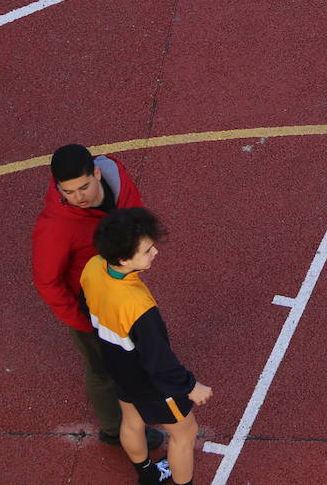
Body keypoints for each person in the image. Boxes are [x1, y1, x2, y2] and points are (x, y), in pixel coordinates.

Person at [31, 144, 165, 453]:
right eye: (68, 192)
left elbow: (136, 215)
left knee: (132, 357)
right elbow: (47, 282)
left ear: (96, 172)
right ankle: (113, 431)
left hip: (121, 293)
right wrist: (83, 322)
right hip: (89, 309)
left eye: (84, 187)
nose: (78, 197)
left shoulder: (117, 178)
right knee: (102, 371)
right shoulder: (56, 227)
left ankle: (134, 409)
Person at [81, 208, 212, 485]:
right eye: (147, 250)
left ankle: (148, 475)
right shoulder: (139, 308)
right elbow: (159, 362)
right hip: (148, 382)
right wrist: (190, 386)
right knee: (185, 433)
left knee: (131, 419)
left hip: (117, 365)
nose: (155, 253)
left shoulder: (93, 266)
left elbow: (85, 307)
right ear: (124, 259)